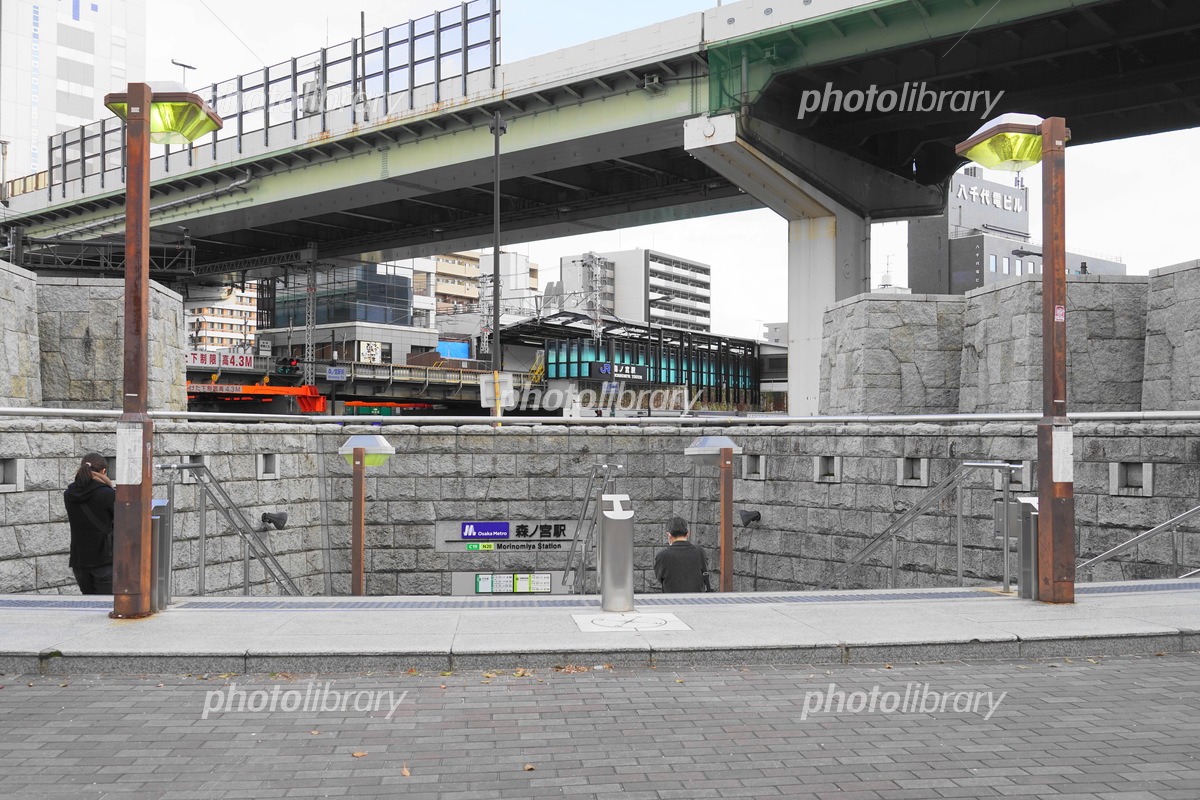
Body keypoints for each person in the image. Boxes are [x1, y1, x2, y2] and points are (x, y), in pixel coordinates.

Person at [63, 453, 116, 595]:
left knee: (90, 606)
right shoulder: (107, 494)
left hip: (79, 561)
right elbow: (123, 521)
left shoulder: (69, 494)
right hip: (104, 560)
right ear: (103, 471)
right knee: (107, 607)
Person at [653, 516, 710, 593]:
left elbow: (660, 578)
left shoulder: (662, 555)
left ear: (669, 535)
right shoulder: (700, 552)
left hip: (671, 601)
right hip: (696, 601)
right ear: (688, 533)